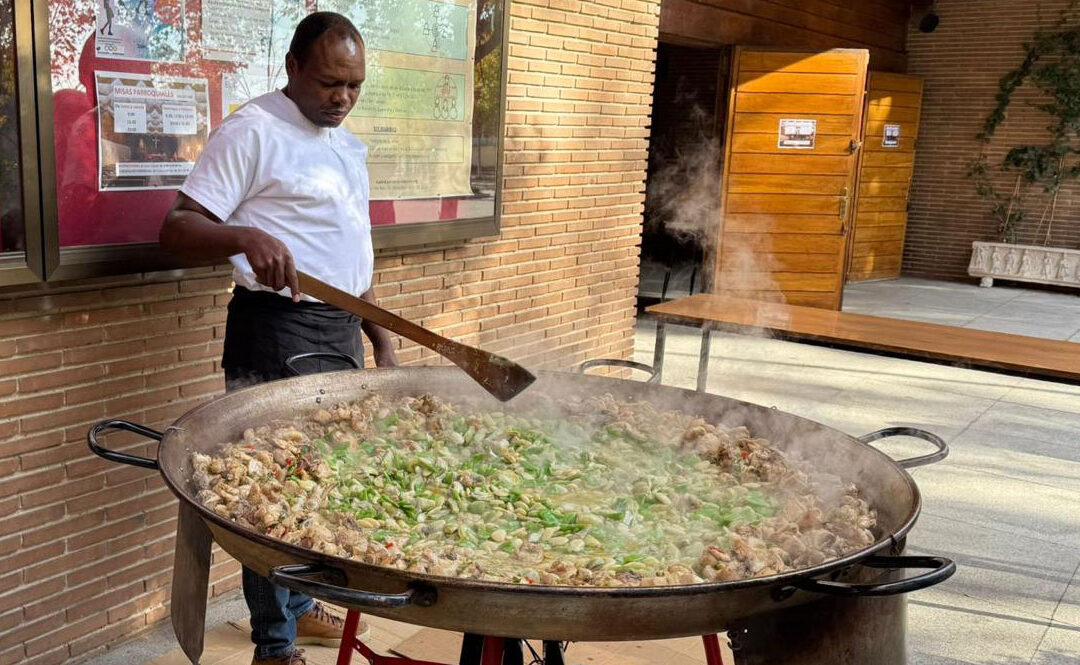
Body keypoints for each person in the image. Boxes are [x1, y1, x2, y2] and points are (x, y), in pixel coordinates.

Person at [159, 12, 397, 665]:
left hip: (338, 329)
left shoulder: (346, 145)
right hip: (275, 329)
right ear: (293, 68)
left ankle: (298, 602)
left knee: (325, 478)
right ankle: (275, 643)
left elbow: (351, 264)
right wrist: (243, 236)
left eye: (354, 85)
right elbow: (176, 228)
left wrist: (382, 344)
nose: (342, 98)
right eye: (328, 83)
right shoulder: (253, 132)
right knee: (271, 488)